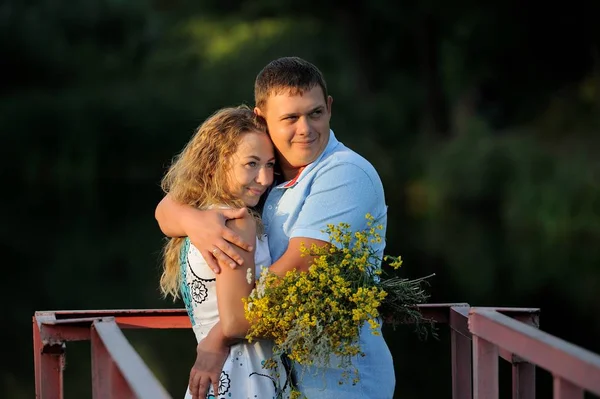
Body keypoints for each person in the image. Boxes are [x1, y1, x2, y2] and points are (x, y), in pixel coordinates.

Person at [156, 57, 396, 398]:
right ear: (261, 117)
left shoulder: (344, 174)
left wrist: (217, 337)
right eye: (290, 118)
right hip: (276, 380)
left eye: (315, 113)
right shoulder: (264, 179)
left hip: (338, 384)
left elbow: (288, 280)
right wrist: (197, 221)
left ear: (329, 107)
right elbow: (166, 209)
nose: (306, 129)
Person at [159, 105, 290, 399]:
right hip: (249, 377)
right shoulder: (236, 222)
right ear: (215, 164)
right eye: (252, 164)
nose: (265, 178)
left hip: (217, 377)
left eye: (270, 165)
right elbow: (237, 320)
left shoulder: (198, 218)